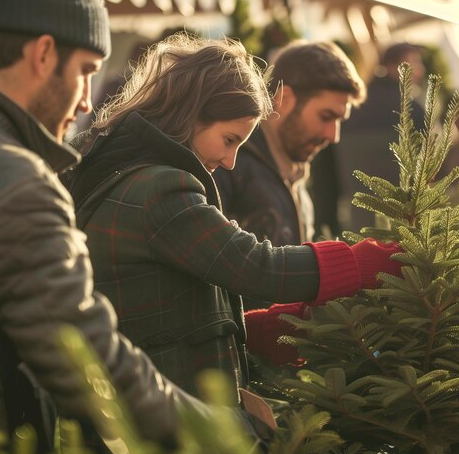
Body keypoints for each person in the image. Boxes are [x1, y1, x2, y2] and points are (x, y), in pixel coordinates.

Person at [0, 0, 215, 449]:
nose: (86, 98)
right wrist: (223, 432)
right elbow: (84, 356)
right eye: (86, 69)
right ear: (43, 54)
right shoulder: (14, 180)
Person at [65, 35, 402, 405]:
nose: (230, 162)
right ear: (189, 115)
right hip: (172, 414)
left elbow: (184, 300)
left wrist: (263, 330)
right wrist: (363, 262)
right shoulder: (160, 189)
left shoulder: (142, 177)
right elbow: (255, 265)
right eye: (228, 140)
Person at [214, 41, 366, 250]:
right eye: (326, 116)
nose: (333, 135)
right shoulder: (226, 165)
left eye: (340, 121)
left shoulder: (295, 173)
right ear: (285, 99)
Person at [333, 42, 427, 234]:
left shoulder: (358, 103)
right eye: (413, 62)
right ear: (393, 66)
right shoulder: (411, 108)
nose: (420, 69)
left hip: (357, 218)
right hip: (401, 221)